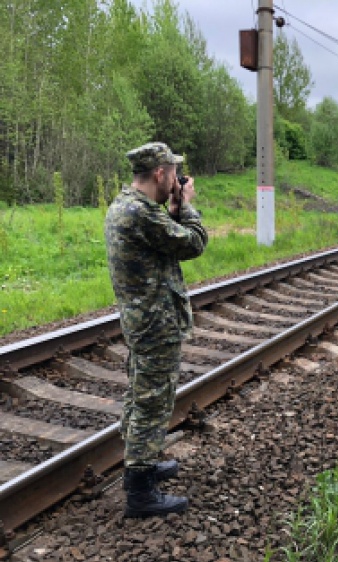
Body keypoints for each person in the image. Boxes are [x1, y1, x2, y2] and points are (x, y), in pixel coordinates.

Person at [104, 142, 208, 518]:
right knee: (152, 401)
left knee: (141, 394)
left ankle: (142, 464)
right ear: (161, 174)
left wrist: (174, 209)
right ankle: (140, 492)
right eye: (174, 174)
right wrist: (188, 206)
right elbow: (194, 242)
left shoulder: (126, 206)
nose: (177, 181)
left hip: (142, 320)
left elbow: (165, 241)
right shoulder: (142, 214)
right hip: (155, 323)